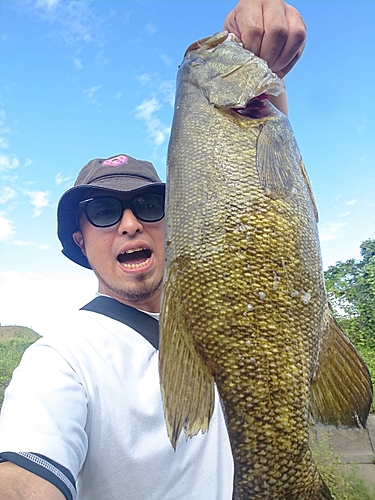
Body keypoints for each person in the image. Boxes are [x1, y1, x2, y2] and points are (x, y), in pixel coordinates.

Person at [0, 1, 306, 498]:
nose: (128, 224)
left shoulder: (220, 318)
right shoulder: (62, 359)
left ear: (178, 218)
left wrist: (260, 56)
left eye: (148, 203)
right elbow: (22, 478)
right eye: (102, 211)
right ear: (80, 240)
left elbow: (268, 189)